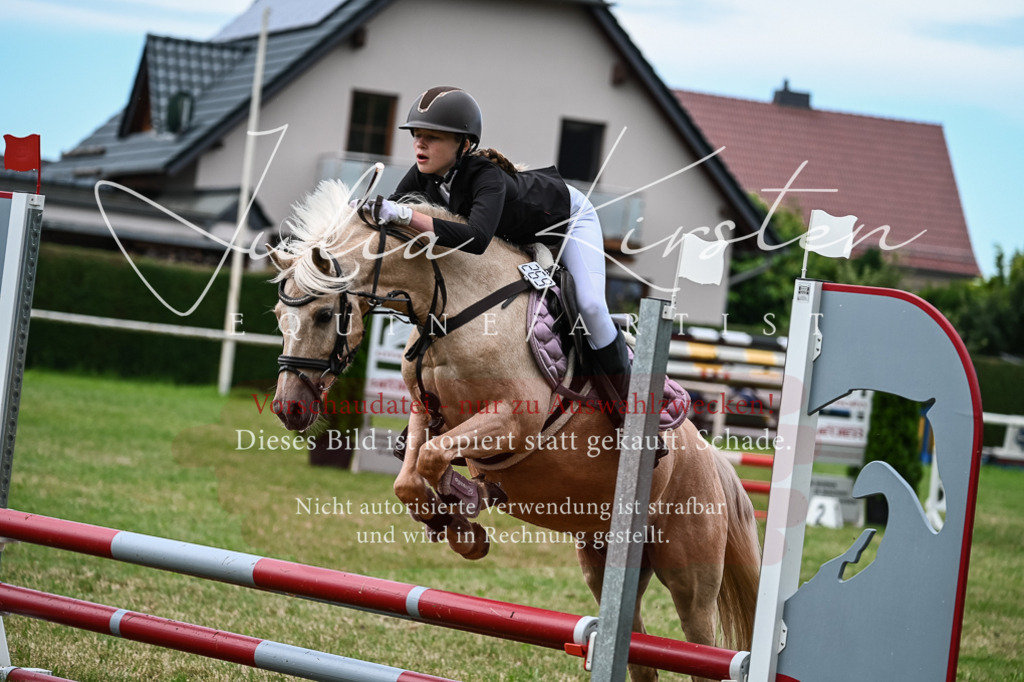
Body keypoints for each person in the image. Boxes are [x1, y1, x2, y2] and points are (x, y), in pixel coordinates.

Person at [377, 85, 632, 408]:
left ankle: (628, 407)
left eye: (434, 136)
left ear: (465, 144)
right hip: (521, 235)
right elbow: (390, 213)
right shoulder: (422, 175)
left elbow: (476, 239)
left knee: (592, 306)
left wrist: (406, 215)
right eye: (416, 134)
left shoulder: (486, 176)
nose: (420, 144)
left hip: (569, 220)